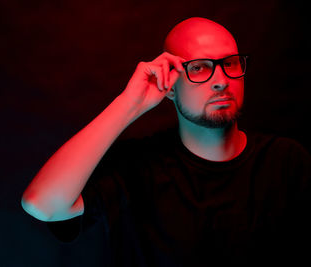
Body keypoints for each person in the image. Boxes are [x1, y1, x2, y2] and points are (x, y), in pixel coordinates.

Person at [21, 17, 311, 266]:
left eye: (230, 64)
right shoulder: (135, 168)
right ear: (171, 85)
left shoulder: (285, 162)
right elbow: (42, 204)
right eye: (199, 67)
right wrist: (128, 104)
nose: (221, 80)